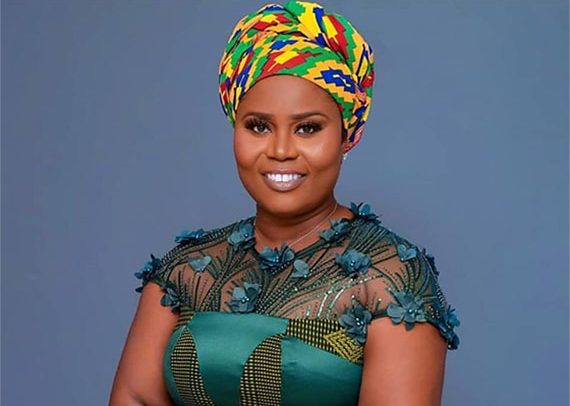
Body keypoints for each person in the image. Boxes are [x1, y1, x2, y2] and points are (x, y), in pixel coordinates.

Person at [110, 1, 461, 405]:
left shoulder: (389, 278)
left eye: (307, 128)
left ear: (346, 136)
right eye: (258, 126)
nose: (280, 150)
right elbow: (135, 396)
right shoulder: (187, 271)